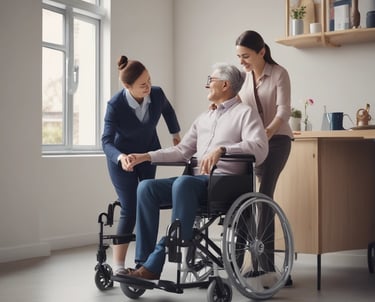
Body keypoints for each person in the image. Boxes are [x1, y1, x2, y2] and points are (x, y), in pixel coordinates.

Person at [120, 62, 268, 280]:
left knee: (184, 183)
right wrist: (146, 156)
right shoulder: (204, 118)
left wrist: (223, 149)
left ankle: (158, 259)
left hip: (224, 185)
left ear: (225, 85)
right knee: (146, 187)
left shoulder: (245, 114)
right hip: (195, 183)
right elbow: (182, 151)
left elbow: (260, 148)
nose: (207, 85)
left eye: (211, 80)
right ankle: (144, 264)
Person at [102, 55, 181, 276]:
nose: (148, 86)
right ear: (128, 86)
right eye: (142, 84)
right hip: (122, 160)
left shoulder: (156, 94)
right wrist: (120, 158)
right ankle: (118, 265)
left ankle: (144, 262)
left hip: (147, 155)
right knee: (130, 208)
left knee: (147, 202)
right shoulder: (115, 105)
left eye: (149, 79)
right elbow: (106, 141)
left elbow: (168, 110)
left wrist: (175, 134)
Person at [235, 30, 293, 285]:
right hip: (256, 144)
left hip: (278, 140)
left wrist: (267, 132)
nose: (242, 62)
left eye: (246, 56)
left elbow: (283, 111)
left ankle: (264, 265)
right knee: (250, 197)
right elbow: (237, 106)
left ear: (261, 52)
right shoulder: (245, 78)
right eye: (239, 57)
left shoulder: (279, 74)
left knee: (264, 196)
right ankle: (253, 262)